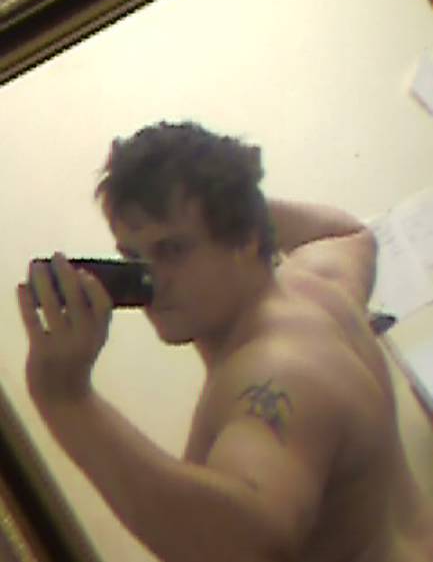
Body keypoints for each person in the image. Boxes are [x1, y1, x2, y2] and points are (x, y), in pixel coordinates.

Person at [17, 122, 433, 562]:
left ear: (245, 238)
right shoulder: (318, 284)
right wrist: (232, 205)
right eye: (133, 257)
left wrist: (68, 401)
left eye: (172, 250)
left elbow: (247, 544)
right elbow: (347, 232)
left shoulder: (278, 373)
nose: (150, 279)